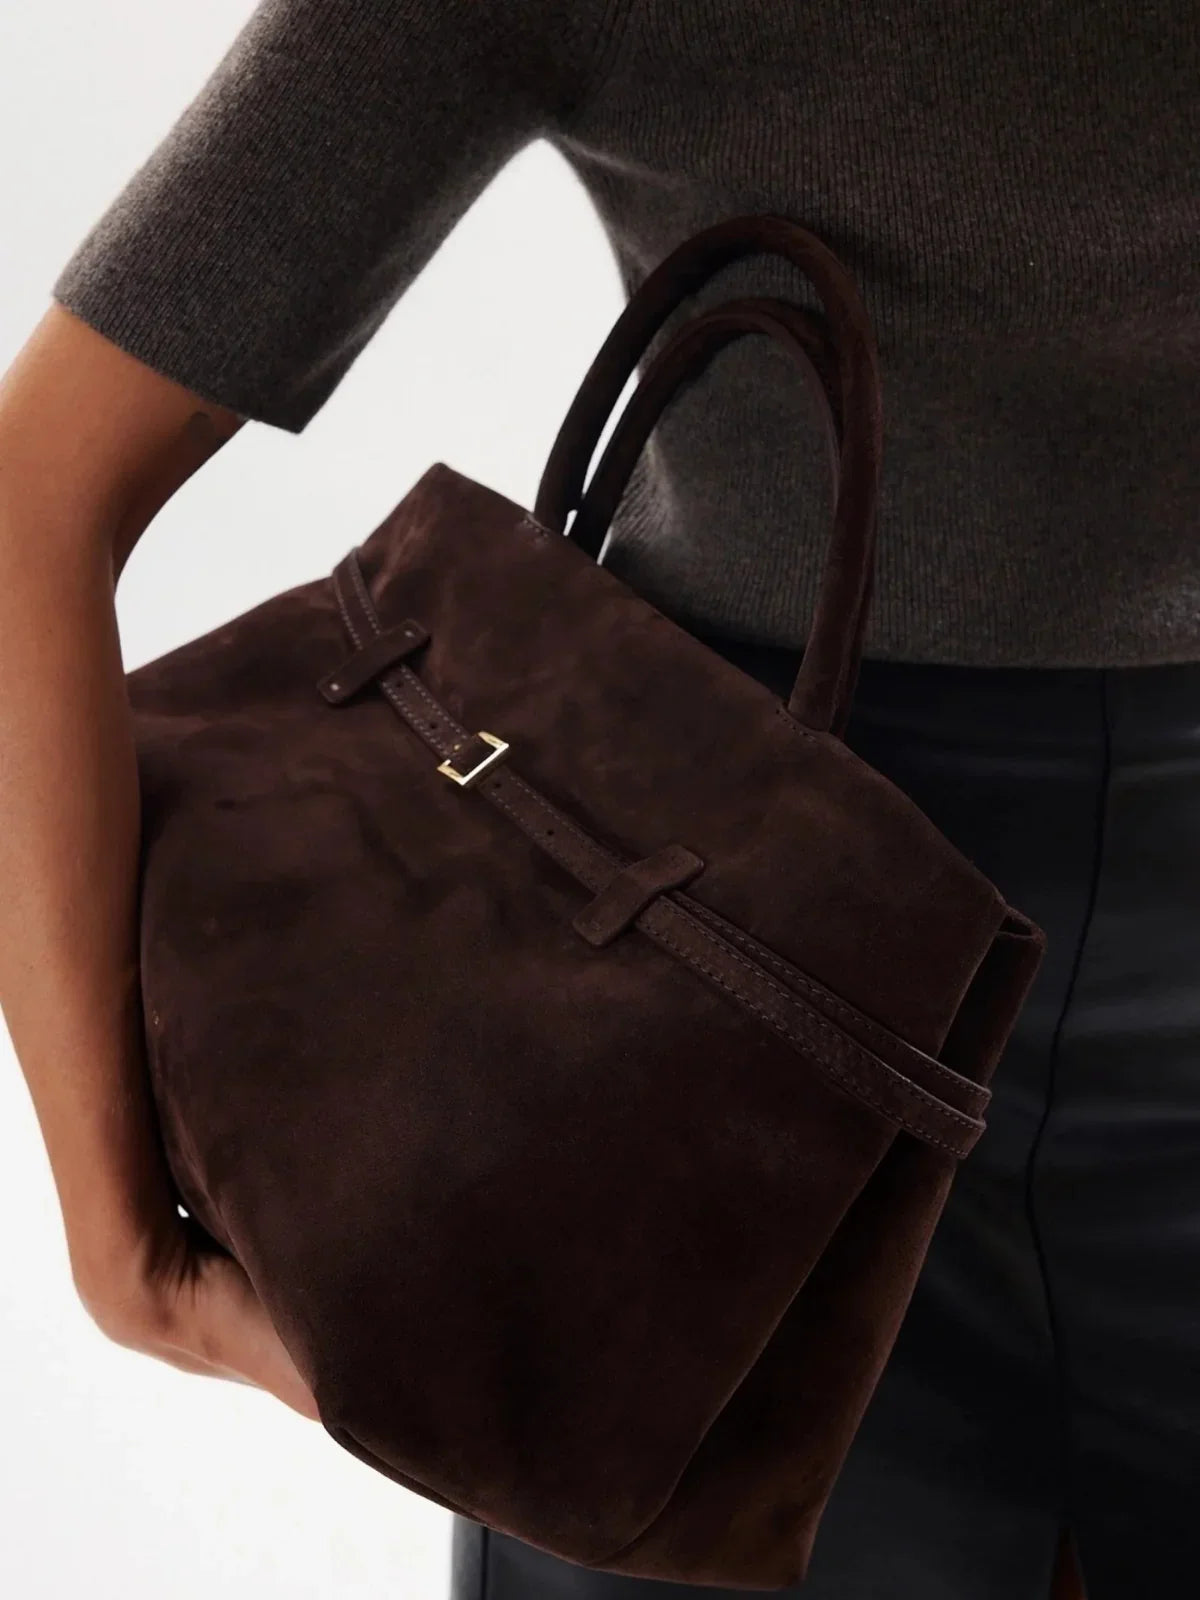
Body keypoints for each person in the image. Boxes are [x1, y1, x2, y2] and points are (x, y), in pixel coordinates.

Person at [1, 1, 1196, 1594]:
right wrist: (116, 1249)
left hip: (679, 967)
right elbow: (27, 501)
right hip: (690, 999)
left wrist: (128, 1249)